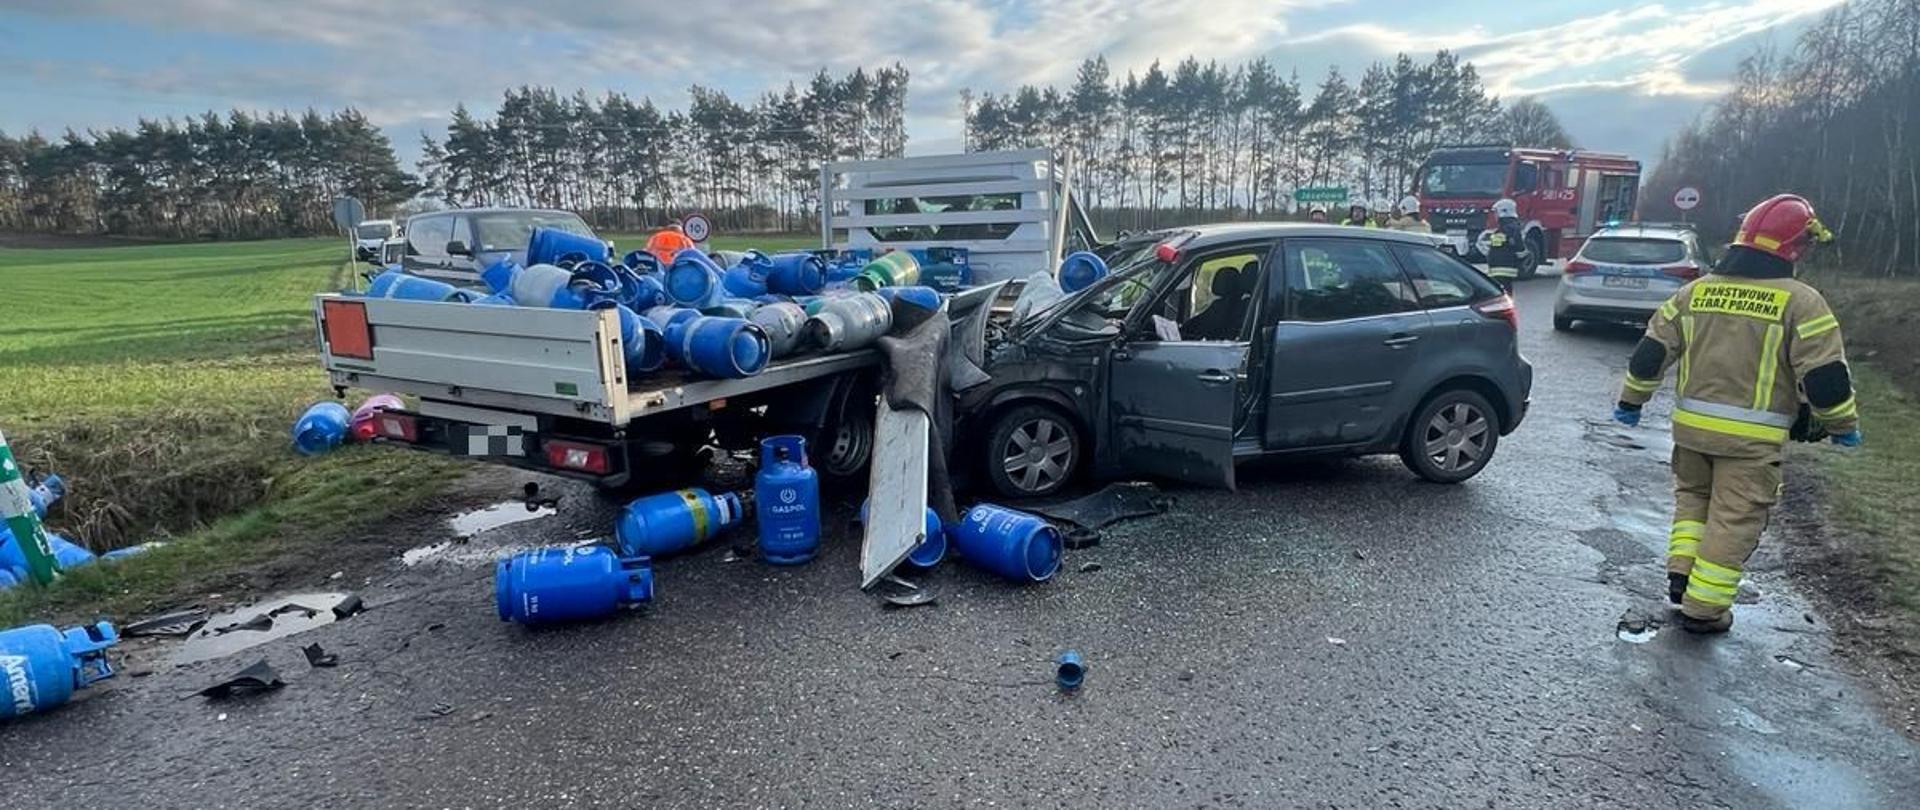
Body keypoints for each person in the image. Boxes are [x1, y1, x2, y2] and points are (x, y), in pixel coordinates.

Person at [1612, 193, 1856, 635]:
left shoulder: (1695, 293)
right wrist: (1842, 427)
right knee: (1733, 518)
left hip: (1690, 434)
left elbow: (1649, 356)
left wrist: (1631, 402)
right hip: (1751, 444)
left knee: (1692, 504)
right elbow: (1825, 378)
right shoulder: (1801, 302)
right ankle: (1704, 609)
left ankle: (1681, 576)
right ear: (1796, 247)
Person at [1481, 198, 1528, 291]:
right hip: (1500, 270)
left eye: (1496, 212)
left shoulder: (1509, 228)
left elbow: (1519, 250)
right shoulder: (1508, 227)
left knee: (1503, 294)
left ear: (1503, 212)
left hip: (1503, 270)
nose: (1495, 215)